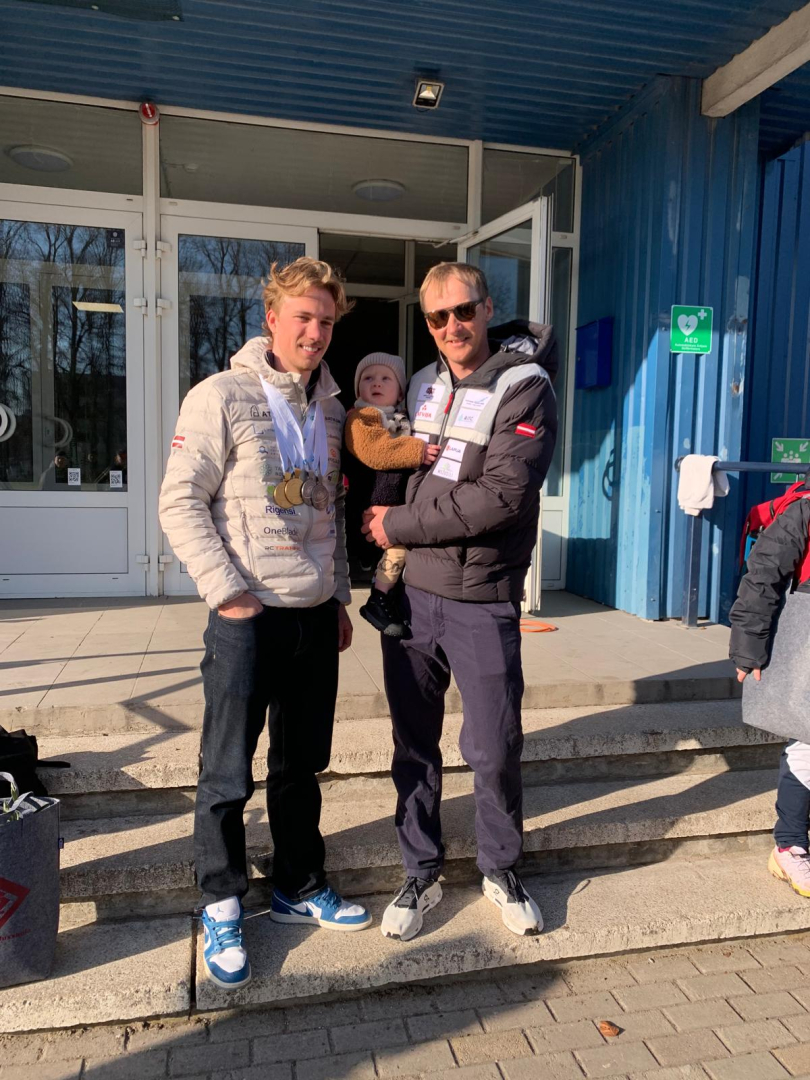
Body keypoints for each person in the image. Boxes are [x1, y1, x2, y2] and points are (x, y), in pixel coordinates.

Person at [159, 257, 371, 992]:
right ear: (272, 318)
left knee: (300, 765)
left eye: (326, 321)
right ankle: (221, 901)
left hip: (312, 617)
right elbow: (179, 502)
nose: (315, 332)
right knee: (226, 771)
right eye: (303, 317)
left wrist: (337, 596)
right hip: (247, 617)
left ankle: (297, 885)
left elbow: (328, 510)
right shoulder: (220, 395)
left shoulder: (332, 409)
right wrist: (227, 594)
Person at [362, 262, 558, 941]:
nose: (453, 326)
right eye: (438, 317)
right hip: (412, 594)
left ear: (487, 306)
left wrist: (397, 525)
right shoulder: (423, 384)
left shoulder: (523, 384)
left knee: (493, 747)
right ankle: (421, 871)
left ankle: (500, 869)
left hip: (481, 598)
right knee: (413, 746)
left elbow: (500, 498)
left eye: (464, 310)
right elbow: (398, 462)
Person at [730, 468, 810, 897]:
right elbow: (762, 575)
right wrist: (749, 646)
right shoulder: (804, 509)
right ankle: (790, 846)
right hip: (806, 636)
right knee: (807, 742)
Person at [344, 352, 441, 637]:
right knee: (397, 548)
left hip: (393, 506)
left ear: (400, 392)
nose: (376, 383)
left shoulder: (400, 418)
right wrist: (418, 450)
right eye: (368, 378)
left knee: (400, 549)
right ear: (358, 390)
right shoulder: (360, 417)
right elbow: (374, 451)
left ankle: (387, 593)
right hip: (371, 506)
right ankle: (379, 597)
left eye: (386, 378)